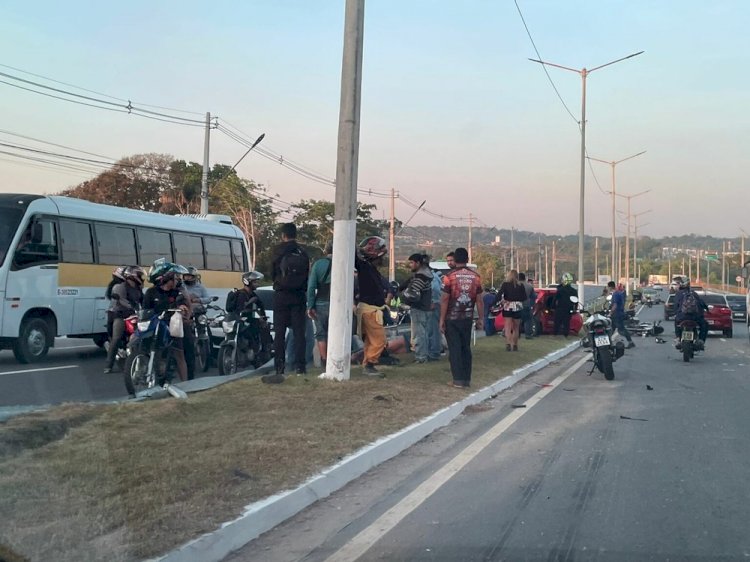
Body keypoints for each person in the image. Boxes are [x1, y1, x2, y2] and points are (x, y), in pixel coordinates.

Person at [262, 223, 310, 384]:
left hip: (281, 296)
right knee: (299, 333)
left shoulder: (277, 251)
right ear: (295, 234)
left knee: (280, 333)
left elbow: (272, 272)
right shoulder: (303, 252)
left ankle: (279, 367)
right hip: (298, 296)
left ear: (283, 235)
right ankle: (300, 367)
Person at [440, 247, 483, 389]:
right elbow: (479, 300)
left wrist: (441, 320)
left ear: (455, 259)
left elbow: (445, 299)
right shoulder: (476, 277)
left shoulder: (449, 277)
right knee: (466, 348)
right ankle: (466, 379)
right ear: (467, 260)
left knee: (454, 348)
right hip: (467, 317)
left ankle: (457, 379)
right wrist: (481, 318)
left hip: (452, 318)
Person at [142, 262, 190, 382]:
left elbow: (182, 303)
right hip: (154, 326)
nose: (177, 279)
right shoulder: (150, 292)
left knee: (180, 354)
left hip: (172, 326)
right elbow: (145, 311)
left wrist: (183, 307)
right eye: (175, 277)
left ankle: (186, 383)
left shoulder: (177, 292)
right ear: (167, 278)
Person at [354, 236, 390, 375]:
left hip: (370, 309)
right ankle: (369, 364)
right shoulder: (364, 267)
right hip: (370, 310)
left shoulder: (370, 268)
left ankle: (367, 364)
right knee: (380, 340)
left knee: (371, 340)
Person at [103, 266, 144, 373]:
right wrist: (132, 308)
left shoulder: (138, 288)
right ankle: (109, 365)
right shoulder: (120, 287)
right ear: (133, 276)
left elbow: (143, 301)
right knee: (116, 338)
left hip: (134, 316)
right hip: (120, 315)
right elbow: (122, 301)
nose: (142, 278)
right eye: (140, 276)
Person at [400, 253, 434, 363]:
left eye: (411, 263)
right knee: (424, 334)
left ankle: (420, 358)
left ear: (418, 263)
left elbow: (412, 293)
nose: (410, 265)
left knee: (418, 335)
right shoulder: (428, 274)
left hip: (419, 309)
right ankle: (425, 355)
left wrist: (404, 300)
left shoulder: (420, 277)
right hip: (426, 308)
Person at [307, 242, 333, 366]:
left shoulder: (318, 264)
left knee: (321, 333)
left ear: (326, 251)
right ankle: (336, 358)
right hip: (339, 304)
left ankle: (324, 360)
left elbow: (311, 287)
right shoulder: (344, 262)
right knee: (335, 332)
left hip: (321, 303)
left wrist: (310, 306)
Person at [673, 276, 708, 347]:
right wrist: (706, 309)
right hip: (695, 317)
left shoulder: (678, 294)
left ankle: (678, 338)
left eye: (678, 284)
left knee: (676, 322)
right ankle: (701, 340)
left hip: (681, 317)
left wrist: (676, 313)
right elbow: (702, 303)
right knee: (705, 324)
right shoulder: (694, 293)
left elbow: (675, 306)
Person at [497, 269, 527, 351]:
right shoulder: (521, 285)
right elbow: (524, 297)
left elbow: (499, 294)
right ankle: (515, 345)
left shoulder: (505, 285)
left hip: (508, 305)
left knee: (507, 326)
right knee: (516, 327)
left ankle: (508, 344)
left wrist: (498, 302)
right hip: (517, 306)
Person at [610, 283, 636, 349]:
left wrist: (610, 312)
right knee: (611, 329)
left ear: (610, 288)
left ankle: (630, 342)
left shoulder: (615, 294)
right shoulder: (619, 294)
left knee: (621, 330)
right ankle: (608, 343)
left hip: (617, 315)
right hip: (619, 314)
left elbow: (615, 305)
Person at [553, 272, 578, 337]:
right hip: (569, 309)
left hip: (560, 309)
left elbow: (555, 299)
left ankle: (555, 334)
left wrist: (552, 307)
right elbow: (576, 301)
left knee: (557, 322)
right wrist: (575, 309)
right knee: (566, 323)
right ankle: (565, 335)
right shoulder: (574, 291)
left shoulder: (560, 290)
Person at [105, 266, 127, 338]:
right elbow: (109, 295)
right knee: (112, 330)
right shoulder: (114, 285)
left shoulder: (127, 285)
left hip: (126, 309)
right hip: (114, 310)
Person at [426, 268, 443, 360]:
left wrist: (432, 301)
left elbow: (435, 290)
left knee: (433, 329)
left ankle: (434, 352)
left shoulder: (432, 277)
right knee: (432, 329)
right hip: (435, 304)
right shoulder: (434, 276)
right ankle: (434, 350)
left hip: (434, 305)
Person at [519, 272, 536, 339]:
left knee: (517, 321)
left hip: (516, 306)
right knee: (528, 320)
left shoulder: (514, 285)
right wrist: (531, 304)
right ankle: (528, 334)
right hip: (526, 305)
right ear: (524, 278)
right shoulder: (529, 286)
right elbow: (533, 296)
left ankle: (517, 334)